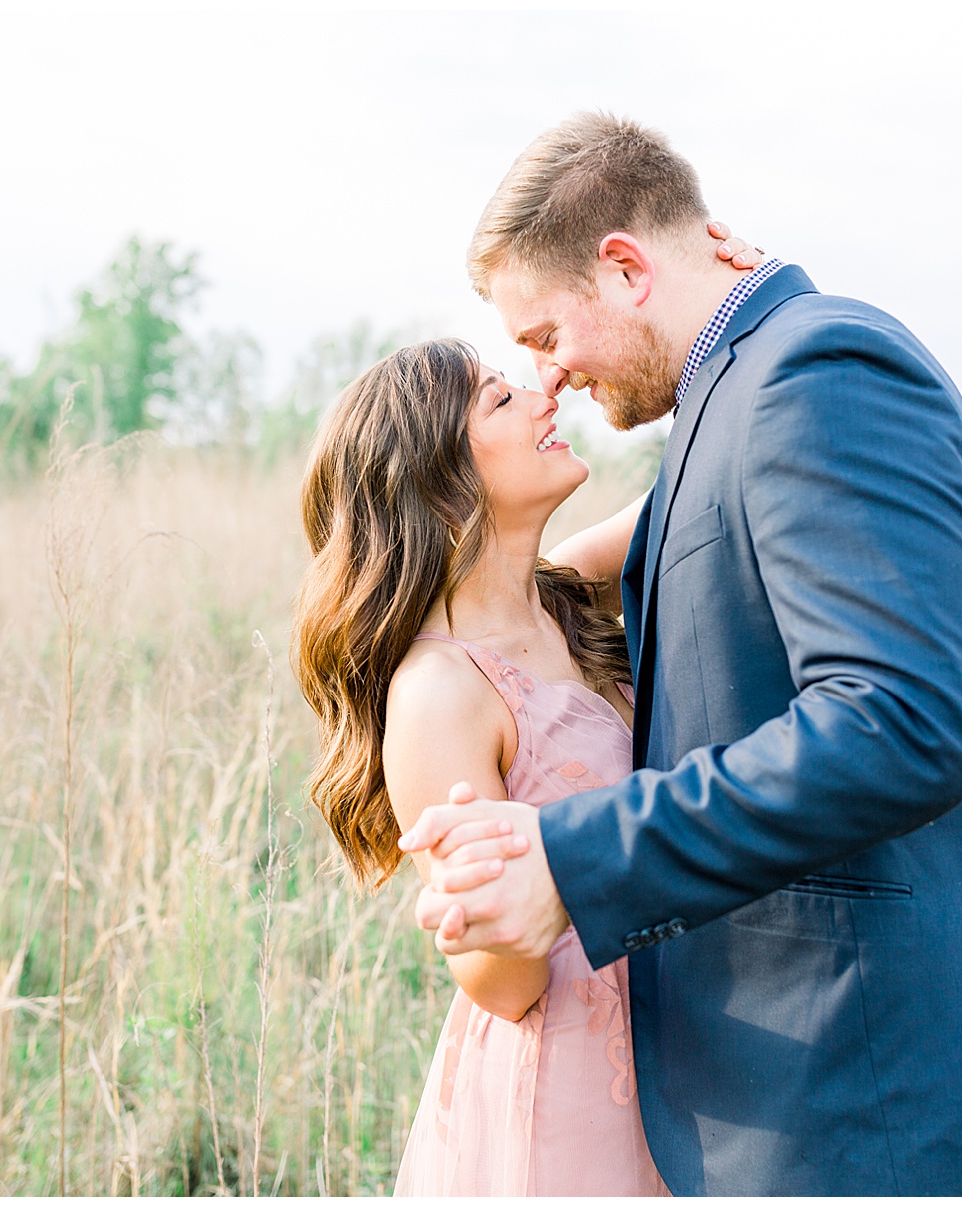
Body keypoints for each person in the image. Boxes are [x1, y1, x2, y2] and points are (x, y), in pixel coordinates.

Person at [398, 112, 962, 1196]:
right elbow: (597, 574)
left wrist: (575, 862)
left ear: (625, 267)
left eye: (544, 334)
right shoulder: (731, 396)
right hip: (795, 1096)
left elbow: (901, 722)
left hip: (872, 1094)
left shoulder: (815, 371)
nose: (550, 375)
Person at [291, 224, 749, 1192]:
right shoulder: (439, 692)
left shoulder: (564, 594)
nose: (546, 390)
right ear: (437, 480)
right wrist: (485, 921)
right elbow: (505, 989)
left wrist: (724, 290)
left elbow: (712, 479)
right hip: (571, 1089)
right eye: (501, 397)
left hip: (680, 1052)